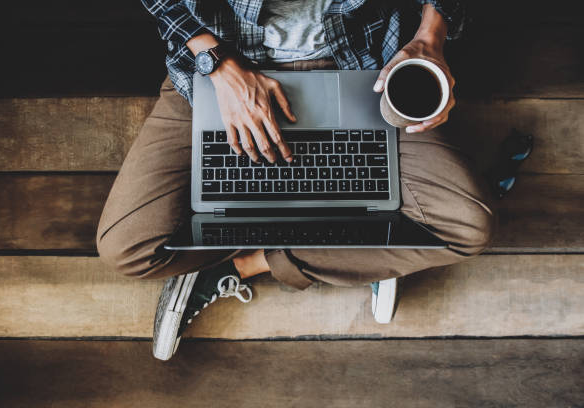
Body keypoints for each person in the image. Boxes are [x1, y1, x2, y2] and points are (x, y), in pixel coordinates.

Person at [96, 0, 495, 360]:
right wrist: (213, 59)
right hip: (224, 66)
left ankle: (249, 265)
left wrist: (431, 36)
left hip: (362, 67)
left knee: (465, 228)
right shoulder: (217, 63)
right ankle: (368, 252)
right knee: (126, 248)